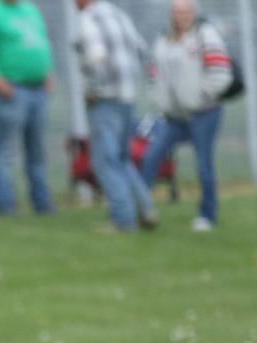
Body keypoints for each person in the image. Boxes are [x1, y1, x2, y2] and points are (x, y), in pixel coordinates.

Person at [140, 0, 233, 232]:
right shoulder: (164, 39)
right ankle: (141, 209)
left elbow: (221, 72)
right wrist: (158, 97)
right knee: (152, 155)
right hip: (173, 116)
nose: (182, 15)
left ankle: (207, 215)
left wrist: (202, 95)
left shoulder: (206, 36)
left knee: (203, 164)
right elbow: (153, 71)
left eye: (186, 11)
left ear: (194, 13)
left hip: (204, 113)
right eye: (177, 11)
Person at [73, 0, 157, 232]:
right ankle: (146, 209)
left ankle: (123, 219)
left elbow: (97, 57)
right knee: (121, 159)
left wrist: (93, 89)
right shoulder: (118, 14)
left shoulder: (88, 19)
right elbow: (141, 50)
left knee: (105, 162)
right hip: (127, 98)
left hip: (105, 100)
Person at [0, 0, 55, 216]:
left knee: (37, 151)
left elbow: (42, 42)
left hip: (38, 89)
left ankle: (42, 204)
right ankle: (6, 205)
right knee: (5, 151)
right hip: (11, 91)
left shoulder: (30, 9)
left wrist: (48, 72)